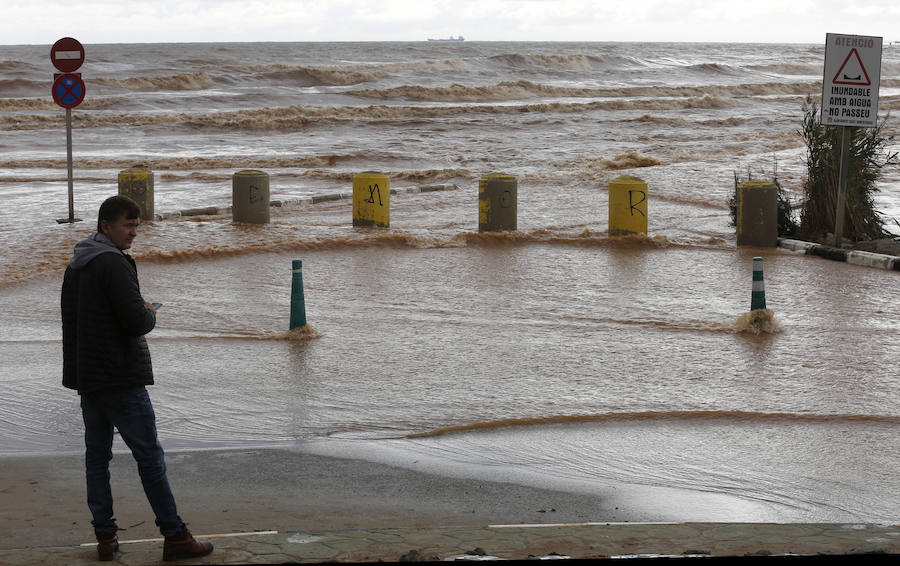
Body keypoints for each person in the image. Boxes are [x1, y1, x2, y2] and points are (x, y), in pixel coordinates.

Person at [61, 195, 213, 562]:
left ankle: (105, 536)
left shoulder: (77, 263)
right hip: (120, 377)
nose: (133, 233)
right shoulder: (113, 263)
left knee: (96, 457)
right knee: (149, 456)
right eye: (127, 226)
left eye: (136, 226)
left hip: (89, 377)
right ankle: (174, 535)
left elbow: (71, 320)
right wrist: (149, 313)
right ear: (105, 226)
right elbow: (134, 322)